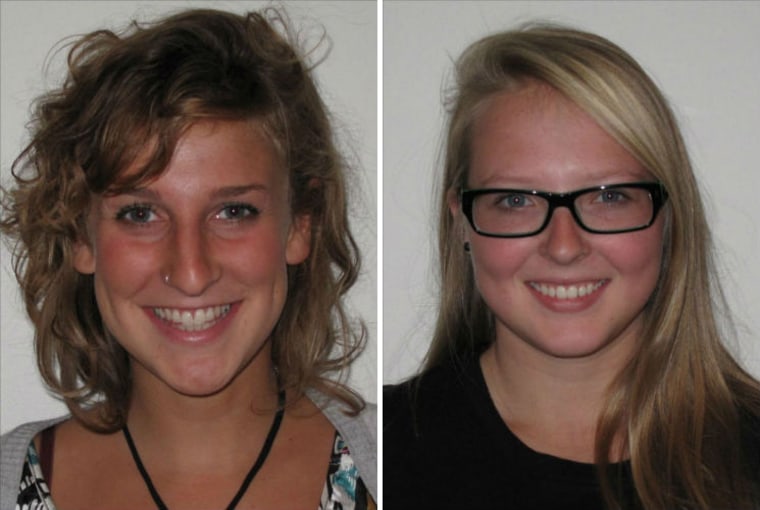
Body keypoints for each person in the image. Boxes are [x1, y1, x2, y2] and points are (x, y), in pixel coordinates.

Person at [0, 7, 376, 509]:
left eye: (233, 211)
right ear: (80, 238)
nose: (192, 272)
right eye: (139, 214)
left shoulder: (410, 464)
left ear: (300, 225)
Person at [384, 23, 760, 510]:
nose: (564, 246)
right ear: (462, 223)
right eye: (516, 200)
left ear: (668, 217)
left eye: (610, 196)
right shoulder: (378, 459)